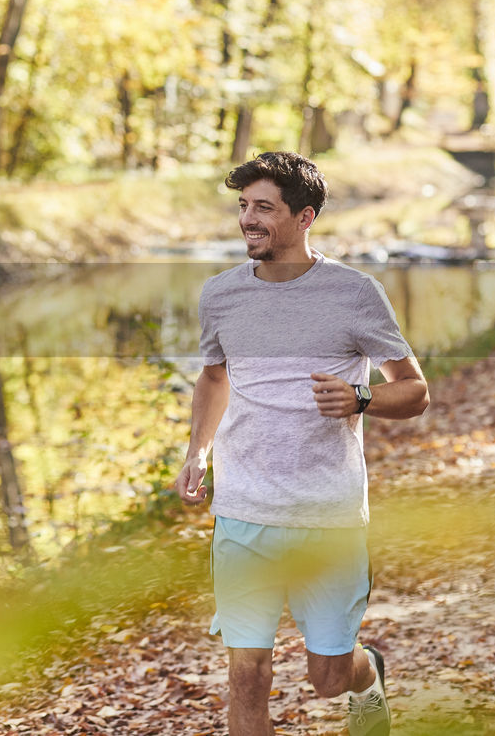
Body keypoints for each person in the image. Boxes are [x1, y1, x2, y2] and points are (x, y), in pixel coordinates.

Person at [174, 152, 429, 736]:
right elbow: (215, 376)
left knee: (328, 677)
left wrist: (360, 399)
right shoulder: (220, 295)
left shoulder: (354, 294)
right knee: (246, 676)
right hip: (244, 511)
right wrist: (197, 452)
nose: (248, 220)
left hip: (329, 515)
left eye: (264, 208)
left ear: (305, 216)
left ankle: (367, 678)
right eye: (243, 207)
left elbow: (414, 392)